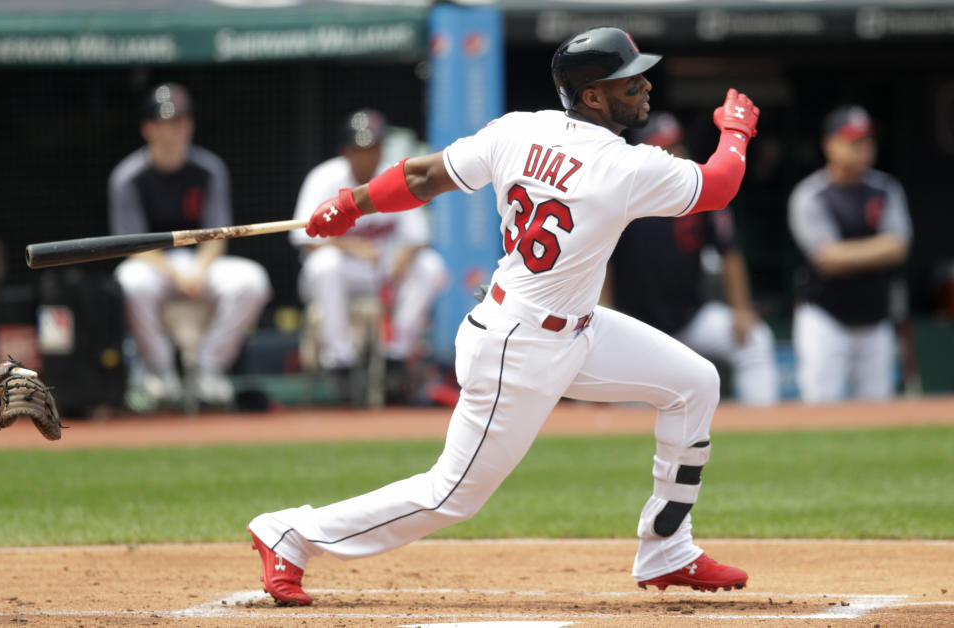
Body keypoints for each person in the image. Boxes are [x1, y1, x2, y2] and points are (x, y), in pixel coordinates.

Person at [248, 27, 759, 605]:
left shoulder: (520, 128)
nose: (645, 86)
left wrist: (351, 203)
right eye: (630, 79)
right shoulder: (625, 167)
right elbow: (720, 184)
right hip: (518, 347)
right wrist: (737, 131)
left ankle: (668, 547)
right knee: (450, 496)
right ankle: (290, 533)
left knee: (694, 383)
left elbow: (420, 177)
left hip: (575, 327)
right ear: (592, 96)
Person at [108, 82, 272, 407]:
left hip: (200, 263)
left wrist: (198, 271)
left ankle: (209, 367)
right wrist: (175, 274)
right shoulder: (128, 176)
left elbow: (218, 236)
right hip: (154, 265)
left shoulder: (208, 168)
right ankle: (160, 370)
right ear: (149, 128)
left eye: (183, 120)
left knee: (252, 280)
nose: (178, 129)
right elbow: (132, 245)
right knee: (128, 281)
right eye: (168, 121)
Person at [609, 112, 779, 405]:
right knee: (628, 408)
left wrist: (740, 308)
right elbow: (602, 262)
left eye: (677, 146)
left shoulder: (699, 194)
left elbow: (730, 252)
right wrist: (605, 313)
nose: (674, 155)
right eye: (663, 149)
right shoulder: (619, 196)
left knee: (755, 339)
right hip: (635, 328)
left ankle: (761, 424)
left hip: (691, 319)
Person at [289, 109, 448, 397]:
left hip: (382, 268)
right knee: (324, 264)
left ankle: (395, 357)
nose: (366, 156)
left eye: (373, 148)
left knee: (430, 266)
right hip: (340, 272)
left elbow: (416, 237)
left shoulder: (394, 176)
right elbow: (304, 239)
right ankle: (340, 363)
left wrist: (403, 258)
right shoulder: (324, 177)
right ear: (345, 151)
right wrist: (350, 246)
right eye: (359, 149)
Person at [788, 105, 912, 402]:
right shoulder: (812, 193)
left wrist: (851, 253)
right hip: (825, 317)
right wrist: (878, 249)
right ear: (829, 145)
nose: (863, 148)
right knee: (820, 406)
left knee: (878, 411)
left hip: (875, 318)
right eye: (853, 141)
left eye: (866, 140)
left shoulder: (885, 188)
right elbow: (827, 259)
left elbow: (900, 247)